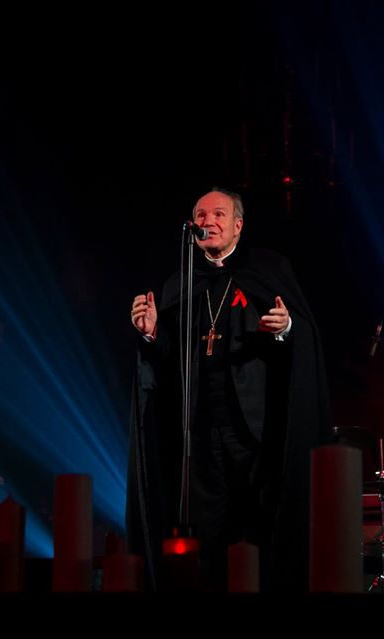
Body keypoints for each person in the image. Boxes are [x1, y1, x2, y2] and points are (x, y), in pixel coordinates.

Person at [126, 187, 330, 591]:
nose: (208, 222)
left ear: (238, 225)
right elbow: (167, 363)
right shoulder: (180, 283)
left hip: (254, 431)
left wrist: (286, 328)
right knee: (206, 537)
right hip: (199, 434)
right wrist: (151, 334)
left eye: (219, 214)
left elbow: (303, 335)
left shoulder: (268, 269)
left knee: (256, 531)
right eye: (201, 215)